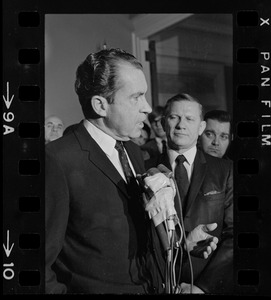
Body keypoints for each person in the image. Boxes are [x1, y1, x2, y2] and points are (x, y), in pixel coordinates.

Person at [45, 49, 219, 295]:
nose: (147, 108)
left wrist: (183, 244)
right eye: (137, 97)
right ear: (100, 105)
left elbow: (135, 236)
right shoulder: (56, 160)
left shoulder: (134, 152)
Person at [151, 93, 233, 294]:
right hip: (159, 285)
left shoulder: (225, 170)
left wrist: (201, 287)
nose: (181, 125)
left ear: (201, 127)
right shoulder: (145, 169)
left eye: (189, 119)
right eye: (174, 117)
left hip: (208, 286)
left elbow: (234, 234)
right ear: (163, 122)